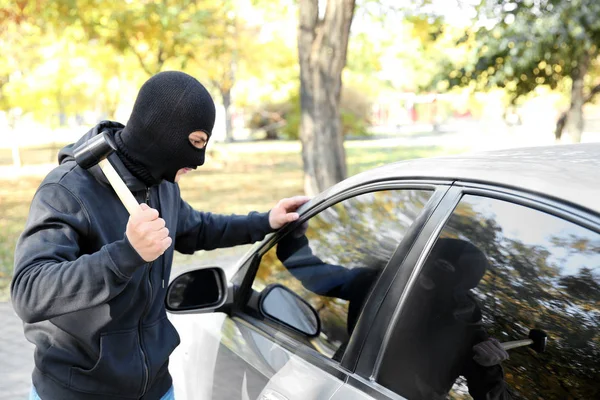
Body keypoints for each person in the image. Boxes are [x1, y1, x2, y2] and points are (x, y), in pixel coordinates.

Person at [10, 71, 309, 400]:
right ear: (162, 133)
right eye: (196, 142)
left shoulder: (160, 185)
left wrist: (265, 221)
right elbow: (29, 291)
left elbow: (198, 227)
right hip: (78, 392)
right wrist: (126, 254)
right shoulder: (67, 189)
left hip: (156, 388)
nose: (200, 160)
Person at [276, 227, 511, 399]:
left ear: (461, 286)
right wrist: (293, 239)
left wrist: (490, 368)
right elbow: (318, 277)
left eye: (445, 271)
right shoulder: (378, 285)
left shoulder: (467, 331)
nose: (425, 275)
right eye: (427, 262)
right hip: (340, 389)